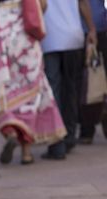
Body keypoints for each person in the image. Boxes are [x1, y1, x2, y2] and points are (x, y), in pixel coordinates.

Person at [0, 0, 66, 165]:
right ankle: (26, 153)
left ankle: (11, 133)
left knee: (3, 91)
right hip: (24, 33)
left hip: (0, 33)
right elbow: (42, 5)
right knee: (29, 94)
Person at [41, 0, 97, 160]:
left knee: (54, 92)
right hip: (73, 36)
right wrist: (91, 29)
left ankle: (57, 143)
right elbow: (83, 4)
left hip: (50, 38)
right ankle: (70, 137)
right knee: (71, 89)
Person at [78, 0, 107, 144]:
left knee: (88, 81)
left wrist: (91, 28)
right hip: (97, 26)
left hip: (88, 30)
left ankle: (87, 130)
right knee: (98, 78)